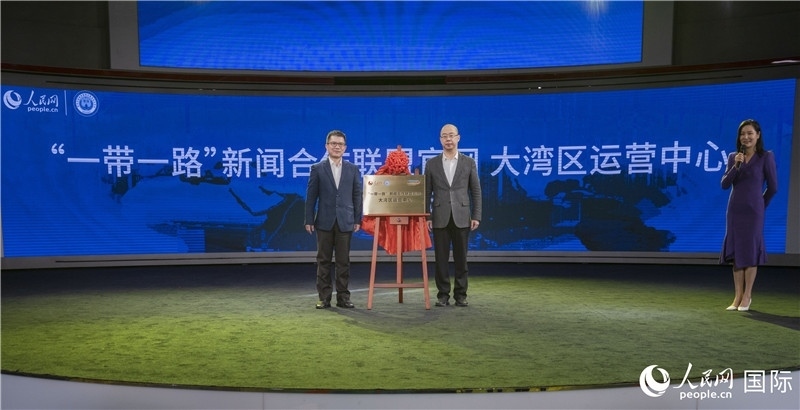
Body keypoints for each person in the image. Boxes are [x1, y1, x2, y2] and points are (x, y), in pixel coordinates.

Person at [719, 119, 778, 312]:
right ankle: (737, 296)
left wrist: (760, 204)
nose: (746, 137)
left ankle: (747, 296)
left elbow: (773, 187)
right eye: (743, 134)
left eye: (750, 133)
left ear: (758, 135)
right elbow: (724, 184)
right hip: (735, 210)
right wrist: (736, 166)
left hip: (754, 212)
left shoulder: (766, 157)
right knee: (737, 252)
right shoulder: (733, 157)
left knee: (751, 252)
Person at [425, 123, 482, 307]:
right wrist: (427, 216)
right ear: (440, 140)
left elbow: (476, 191)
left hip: (462, 216)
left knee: (461, 259)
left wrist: (476, 215)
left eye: (451, 135)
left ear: (458, 138)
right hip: (439, 216)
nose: (448, 139)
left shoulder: (469, 162)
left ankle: (461, 295)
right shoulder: (431, 163)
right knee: (440, 260)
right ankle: (443, 295)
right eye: (444, 136)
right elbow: (426, 192)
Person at [305, 130, 363, 309]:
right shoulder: (317, 168)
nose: (337, 147)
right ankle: (324, 298)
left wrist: (357, 219)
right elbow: (311, 196)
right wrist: (309, 219)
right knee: (323, 260)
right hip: (324, 220)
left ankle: (343, 297)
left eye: (340, 144)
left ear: (345, 148)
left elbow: (357, 195)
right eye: (333, 144)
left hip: (346, 220)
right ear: (327, 146)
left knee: (343, 261)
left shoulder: (353, 169)